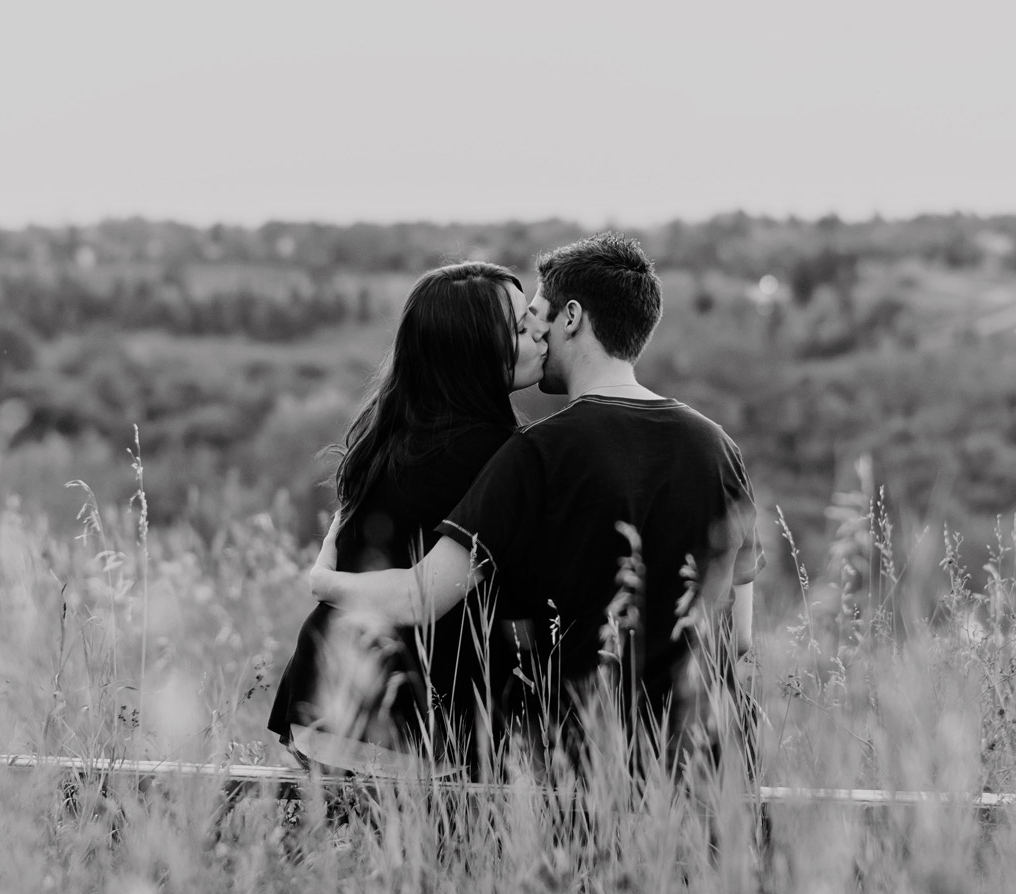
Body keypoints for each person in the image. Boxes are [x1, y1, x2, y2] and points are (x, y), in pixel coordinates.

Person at [310, 232, 764, 780]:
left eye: (538, 316)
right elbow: (738, 636)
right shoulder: (719, 448)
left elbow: (425, 594)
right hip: (713, 761)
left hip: (585, 768)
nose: (535, 333)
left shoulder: (536, 453)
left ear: (572, 318)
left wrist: (326, 581)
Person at [266, 261, 546, 778]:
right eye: (519, 326)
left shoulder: (384, 436)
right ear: (475, 349)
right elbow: (421, 599)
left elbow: (339, 539)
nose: (538, 332)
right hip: (411, 730)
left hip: (322, 701)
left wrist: (324, 581)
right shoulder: (506, 458)